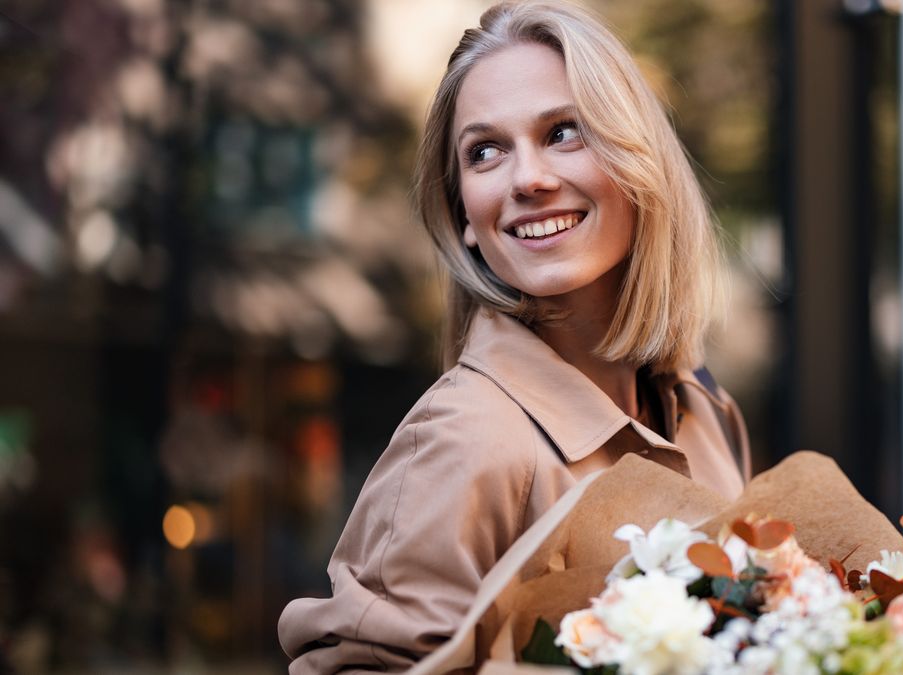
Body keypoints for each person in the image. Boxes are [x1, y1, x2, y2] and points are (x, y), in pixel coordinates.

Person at [277, 1, 751, 671]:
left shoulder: (706, 412)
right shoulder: (462, 437)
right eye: (486, 151)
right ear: (465, 214)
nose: (527, 178)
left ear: (638, 163)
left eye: (564, 132)